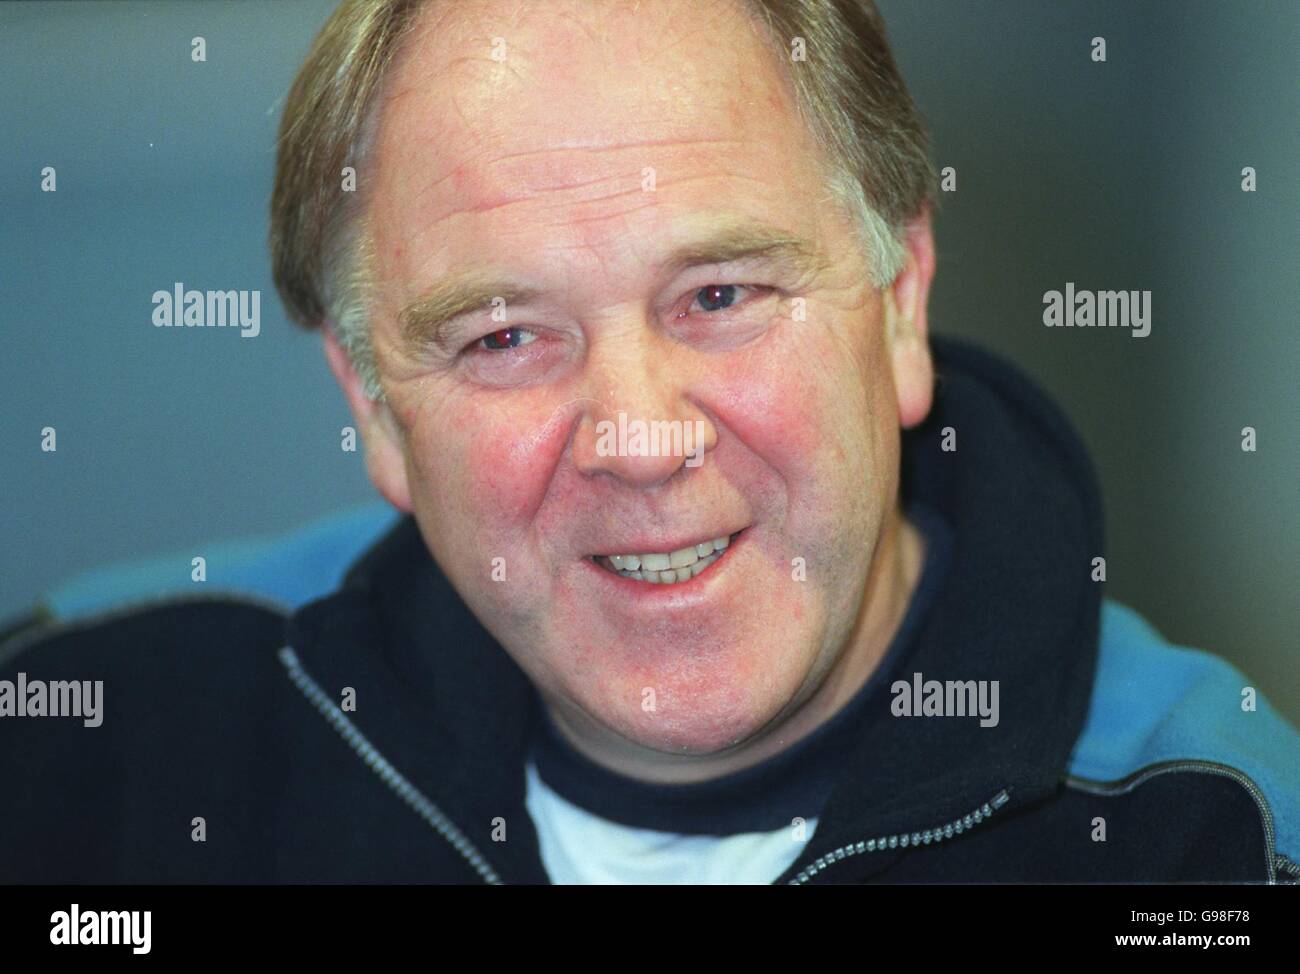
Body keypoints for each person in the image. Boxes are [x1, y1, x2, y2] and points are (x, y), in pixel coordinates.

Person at [2, 0, 1296, 885]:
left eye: (721, 297)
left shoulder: (1209, 841)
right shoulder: (94, 738)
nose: (636, 437)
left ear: (899, 299)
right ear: (377, 407)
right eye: (505, 335)